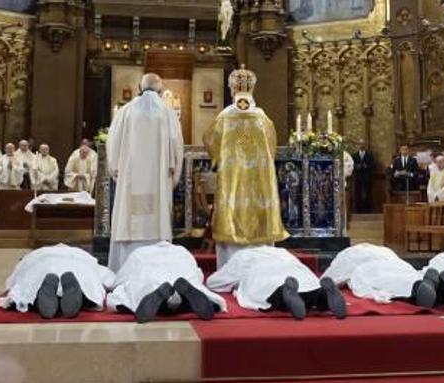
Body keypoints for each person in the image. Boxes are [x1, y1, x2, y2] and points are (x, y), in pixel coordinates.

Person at [203, 66, 288, 268]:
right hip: (259, 180)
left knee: (232, 208)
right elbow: (272, 147)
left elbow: (210, 140)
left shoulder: (225, 116)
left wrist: (219, 157)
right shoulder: (262, 118)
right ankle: (263, 268)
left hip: (233, 178)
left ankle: (230, 268)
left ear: (233, 90)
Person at [106, 73, 184, 272]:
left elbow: (112, 144)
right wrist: (173, 176)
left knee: (128, 218)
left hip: (130, 182)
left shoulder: (125, 111)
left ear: (139, 88)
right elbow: (177, 147)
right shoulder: (167, 112)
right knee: (156, 222)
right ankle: (157, 273)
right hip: (158, 184)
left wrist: (117, 170)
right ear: (160, 90)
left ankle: (124, 271)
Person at [207, 246, 346, 320]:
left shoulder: (242, 255)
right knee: (310, 288)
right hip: (298, 271)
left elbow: (215, 283)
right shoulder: (282, 251)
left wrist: (233, 287)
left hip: (264, 272)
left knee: (270, 291)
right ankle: (323, 293)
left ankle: (284, 293)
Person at [322, 243, 444, 309]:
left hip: (370, 269)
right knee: (409, 275)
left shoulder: (348, 255)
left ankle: (418, 289)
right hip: (397, 263)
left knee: (394, 284)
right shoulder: (383, 250)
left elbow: (330, 279)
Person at [107, 241, 225, 323]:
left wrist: (115, 286)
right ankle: (186, 299)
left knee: (125, 295)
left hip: (151, 278)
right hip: (182, 274)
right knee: (196, 286)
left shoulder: (140, 252)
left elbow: (121, 278)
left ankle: (161, 300)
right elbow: (198, 274)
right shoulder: (182, 251)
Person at [0, 244, 115, 319]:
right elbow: (109, 279)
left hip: (44, 263)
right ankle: (80, 299)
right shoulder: (81, 254)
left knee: (32, 288)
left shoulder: (38, 253)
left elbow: (15, 277)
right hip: (78, 265)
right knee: (87, 285)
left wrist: (14, 286)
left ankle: (40, 301)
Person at [352, 140, 376, 211]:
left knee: (368, 192)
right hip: (358, 176)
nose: (361, 145)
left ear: (365, 145)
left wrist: (366, 166)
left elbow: (373, 165)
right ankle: (358, 209)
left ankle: (368, 208)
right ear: (358, 145)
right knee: (358, 192)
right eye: (360, 144)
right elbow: (352, 165)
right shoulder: (354, 155)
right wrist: (357, 166)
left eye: (363, 144)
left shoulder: (369, 154)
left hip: (367, 176)